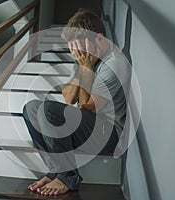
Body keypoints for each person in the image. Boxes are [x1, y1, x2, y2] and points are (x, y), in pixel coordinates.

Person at [22, 8, 130, 196]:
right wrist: (82, 66)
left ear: (99, 39)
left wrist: (86, 69)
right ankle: (55, 171)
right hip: (90, 126)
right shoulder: (85, 56)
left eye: (80, 46)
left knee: (49, 111)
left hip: (109, 133)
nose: (76, 52)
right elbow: (69, 97)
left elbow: (87, 107)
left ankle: (68, 176)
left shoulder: (114, 64)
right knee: (31, 108)